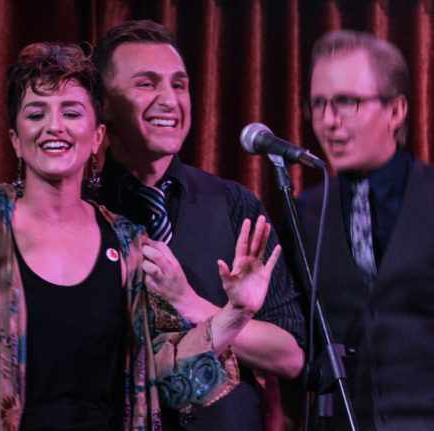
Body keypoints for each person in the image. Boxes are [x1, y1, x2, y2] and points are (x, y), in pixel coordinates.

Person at [0, 42, 283, 430]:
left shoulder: (129, 245)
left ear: (96, 137)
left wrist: (236, 313)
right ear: (14, 138)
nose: (54, 126)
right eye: (36, 113)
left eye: (71, 112)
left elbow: (168, 379)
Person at [89, 20, 306, 430]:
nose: (169, 100)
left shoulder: (233, 204)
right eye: (146, 84)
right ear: (103, 105)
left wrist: (192, 303)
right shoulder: (80, 210)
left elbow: (291, 356)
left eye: (179, 84)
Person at [288, 29, 434, 430]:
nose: (329, 121)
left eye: (347, 102)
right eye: (318, 104)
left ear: (397, 110)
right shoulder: (303, 211)